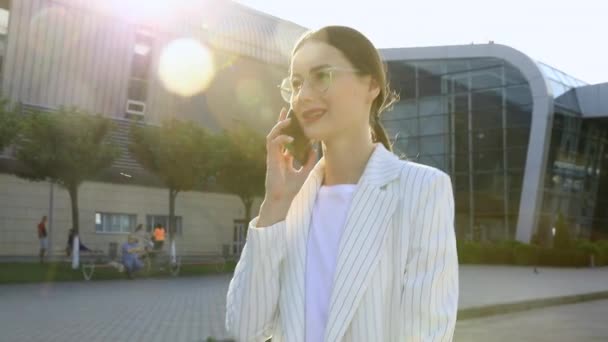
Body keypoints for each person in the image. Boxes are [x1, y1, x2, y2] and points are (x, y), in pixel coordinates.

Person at [225, 26, 458, 341]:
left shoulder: (422, 189)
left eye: (322, 76)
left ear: (371, 84)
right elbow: (245, 329)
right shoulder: (290, 202)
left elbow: (428, 332)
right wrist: (274, 205)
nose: (303, 96)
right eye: (296, 83)